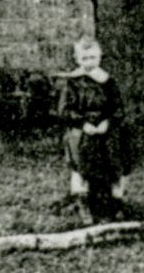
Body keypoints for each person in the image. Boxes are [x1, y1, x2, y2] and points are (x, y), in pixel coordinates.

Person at [55, 37, 132, 221]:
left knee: (117, 159)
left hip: (106, 127)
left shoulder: (108, 82)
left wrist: (108, 121)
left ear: (99, 57)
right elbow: (64, 111)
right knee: (80, 162)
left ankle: (117, 203)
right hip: (82, 128)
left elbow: (118, 109)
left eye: (92, 57)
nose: (89, 62)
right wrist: (83, 123)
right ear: (77, 59)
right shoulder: (72, 83)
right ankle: (83, 204)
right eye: (84, 58)